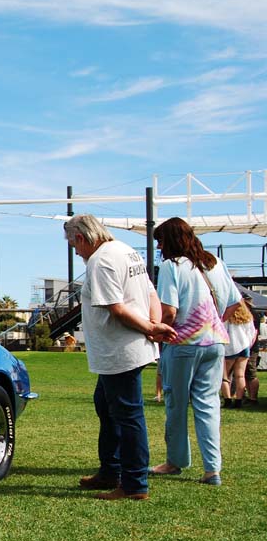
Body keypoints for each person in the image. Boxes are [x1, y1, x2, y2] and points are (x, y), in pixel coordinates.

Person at [64, 214, 174, 501]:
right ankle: (110, 470)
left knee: (127, 415)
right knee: (105, 404)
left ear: (81, 238)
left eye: (74, 246)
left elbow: (117, 309)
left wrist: (150, 328)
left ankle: (134, 484)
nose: (76, 253)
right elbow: (151, 293)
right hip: (129, 347)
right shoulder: (127, 250)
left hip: (119, 351)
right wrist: (153, 325)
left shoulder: (100, 261)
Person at [152, 217, 240, 487]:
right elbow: (235, 303)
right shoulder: (214, 263)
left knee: (176, 404)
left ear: (169, 241)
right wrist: (213, 324)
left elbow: (170, 311)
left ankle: (175, 461)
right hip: (215, 343)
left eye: (160, 241)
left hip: (182, 344)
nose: (159, 247)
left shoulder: (171, 266)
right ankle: (212, 469)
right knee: (208, 404)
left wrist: (156, 331)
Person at [222, 298, 255, 408]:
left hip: (229, 348)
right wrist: (247, 344)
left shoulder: (226, 316)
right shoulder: (247, 316)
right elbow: (251, 332)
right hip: (244, 346)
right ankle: (239, 400)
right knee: (240, 376)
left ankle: (227, 400)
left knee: (224, 376)